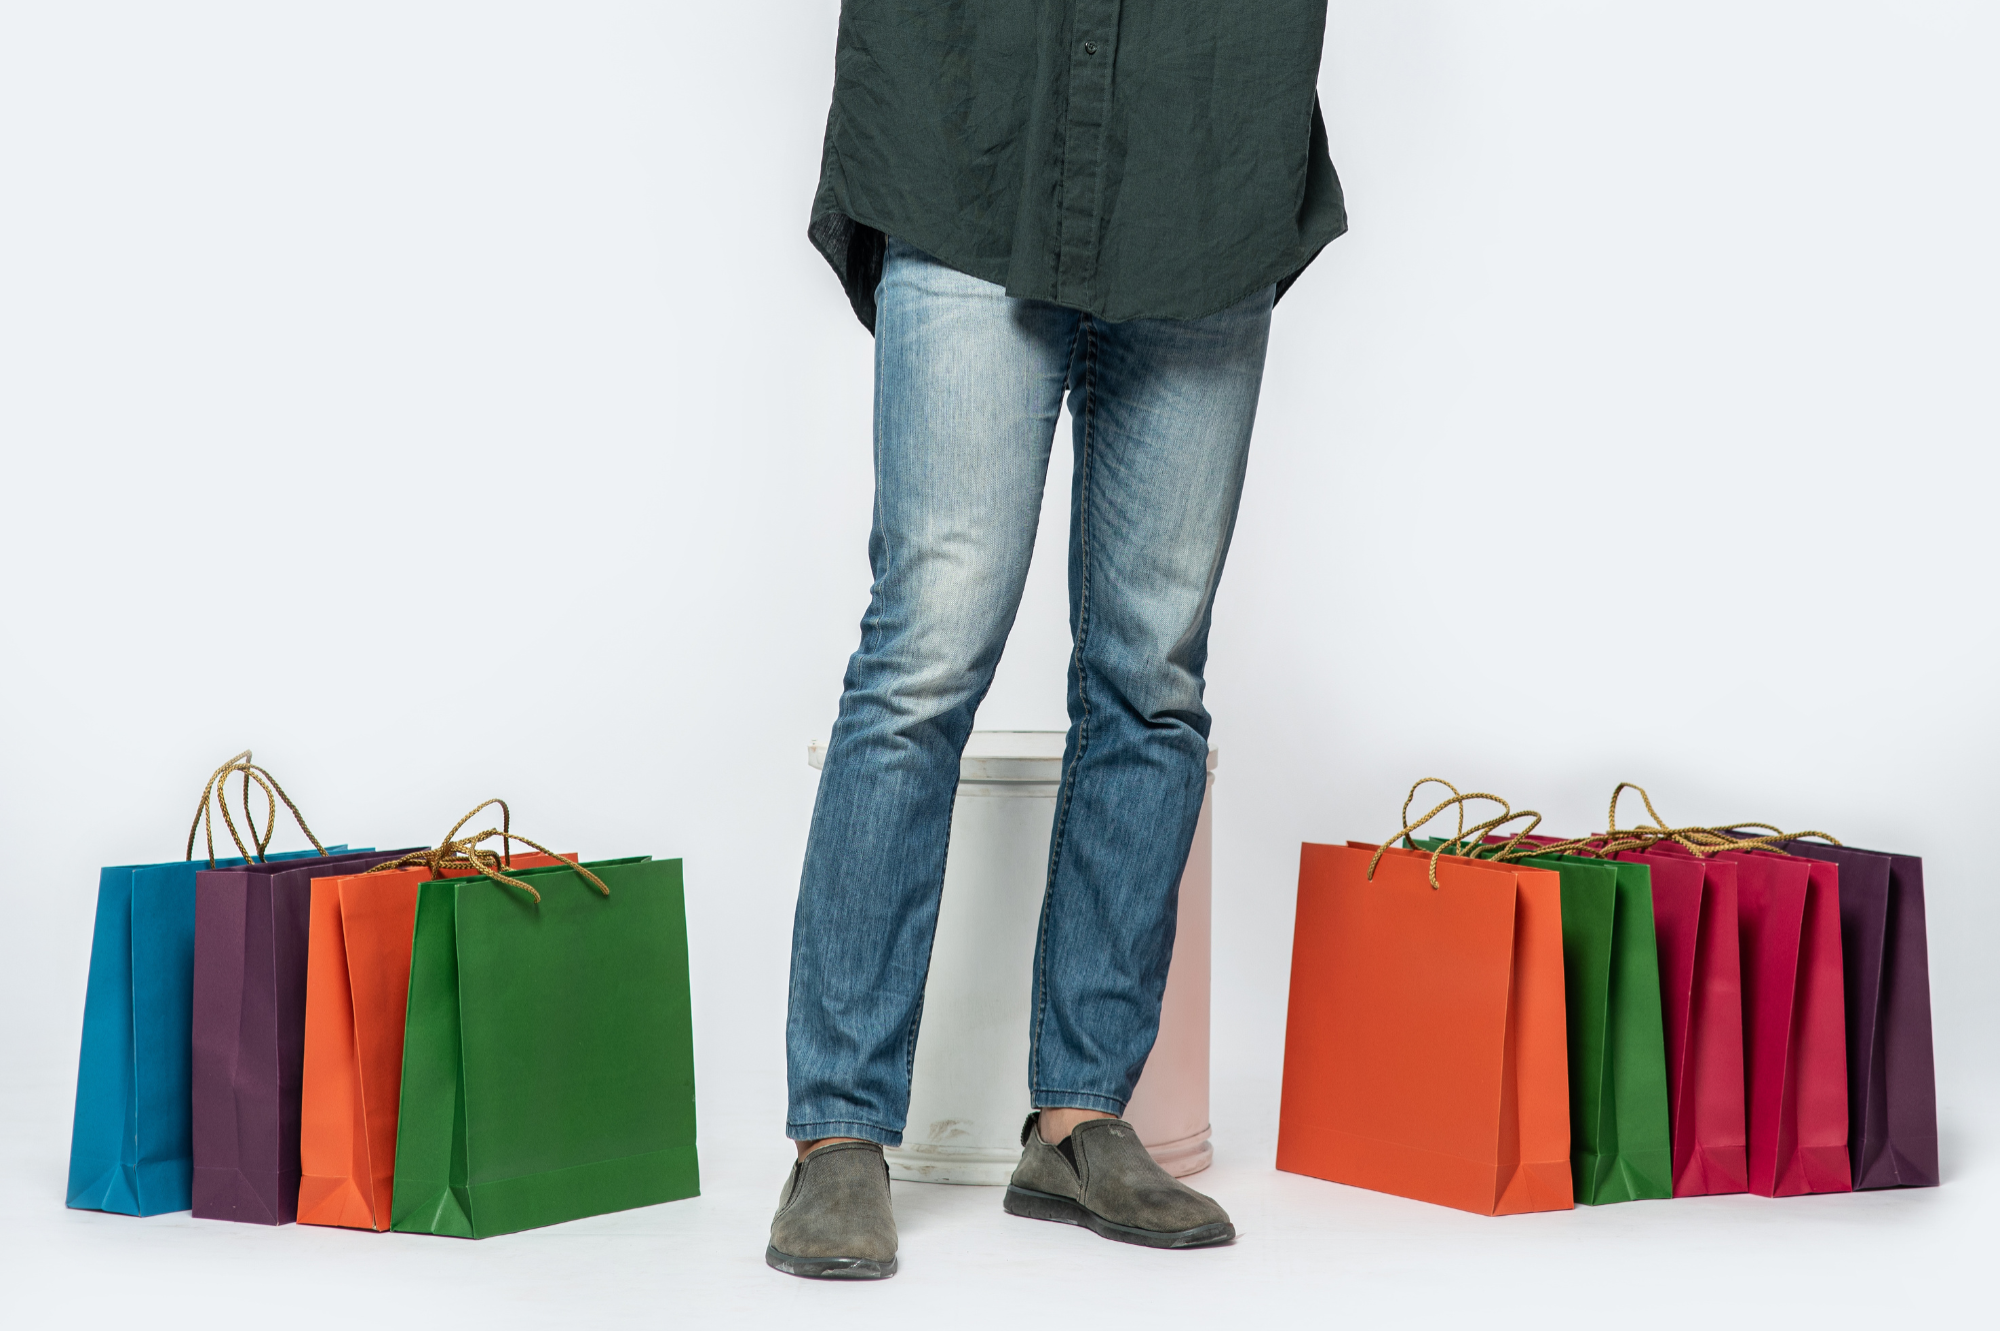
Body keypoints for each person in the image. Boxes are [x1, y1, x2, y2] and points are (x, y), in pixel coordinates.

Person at [770, 2, 1346, 1280]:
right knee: (922, 659)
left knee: (1153, 675)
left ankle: (1081, 1121)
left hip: (1202, 155)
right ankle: (837, 1133)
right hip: (968, 139)